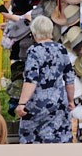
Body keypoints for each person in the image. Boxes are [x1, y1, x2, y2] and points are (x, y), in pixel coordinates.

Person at [15, 16, 76, 144]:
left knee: (33, 140)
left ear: (34, 32)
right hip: (59, 101)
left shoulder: (34, 51)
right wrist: (70, 100)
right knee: (58, 138)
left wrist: (22, 103)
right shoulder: (61, 49)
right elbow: (69, 78)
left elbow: (31, 79)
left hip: (38, 103)